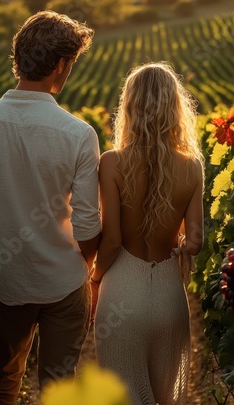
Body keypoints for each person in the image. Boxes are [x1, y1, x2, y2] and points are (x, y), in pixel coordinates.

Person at [0, 10, 101, 405]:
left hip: (10, 279)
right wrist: (83, 264)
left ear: (19, 58)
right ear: (60, 65)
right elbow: (88, 224)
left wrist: (8, 232)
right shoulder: (78, 134)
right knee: (58, 387)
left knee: (2, 380)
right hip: (64, 280)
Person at [91, 62, 204, 405]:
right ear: (175, 107)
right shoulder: (192, 165)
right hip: (170, 298)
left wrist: (94, 280)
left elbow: (111, 241)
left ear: (130, 106)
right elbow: (196, 242)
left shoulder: (111, 162)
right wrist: (181, 243)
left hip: (122, 295)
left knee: (124, 398)